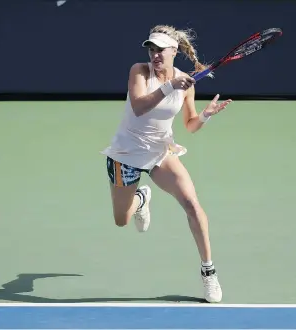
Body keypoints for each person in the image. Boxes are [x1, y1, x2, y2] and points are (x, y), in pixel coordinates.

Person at [101, 25, 232, 303]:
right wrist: (170, 85)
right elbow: (138, 106)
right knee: (121, 220)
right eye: (152, 49)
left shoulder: (186, 82)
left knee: (192, 204)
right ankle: (141, 197)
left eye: (161, 49)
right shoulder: (139, 70)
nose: (155, 54)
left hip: (161, 152)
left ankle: (208, 272)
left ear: (174, 52)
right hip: (126, 153)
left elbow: (189, 124)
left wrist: (206, 115)